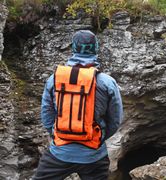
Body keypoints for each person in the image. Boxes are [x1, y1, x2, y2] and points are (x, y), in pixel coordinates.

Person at [33, 30, 123, 180]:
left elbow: (47, 116)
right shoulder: (107, 82)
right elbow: (115, 121)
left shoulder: (54, 79)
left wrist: (61, 136)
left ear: (73, 48)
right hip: (94, 155)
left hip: (59, 152)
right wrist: (98, 138)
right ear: (96, 48)